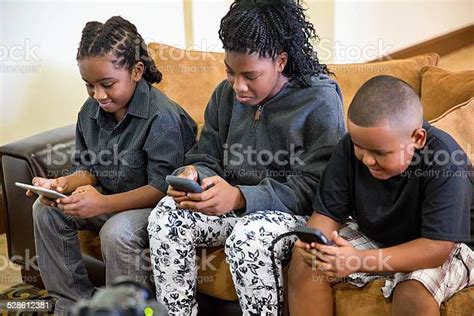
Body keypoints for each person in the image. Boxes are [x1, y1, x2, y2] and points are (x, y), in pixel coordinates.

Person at [147, 0, 346, 315]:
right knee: (166, 216)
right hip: (230, 206)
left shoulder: (319, 100)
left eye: (250, 75)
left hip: (292, 215)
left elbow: (318, 187)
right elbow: (207, 155)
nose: (238, 86)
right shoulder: (225, 95)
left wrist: (241, 197)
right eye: (230, 72)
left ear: (280, 61)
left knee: (247, 237)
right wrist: (193, 174)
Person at [29, 16, 196, 314]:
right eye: (89, 86)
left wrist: (103, 204)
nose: (98, 95)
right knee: (46, 210)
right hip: (107, 199)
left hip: (157, 207)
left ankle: (125, 307)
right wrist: (61, 185)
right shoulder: (89, 112)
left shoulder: (162, 117)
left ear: (136, 71)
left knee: (117, 232)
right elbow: (88, 170)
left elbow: (162, 188)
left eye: (107, 84)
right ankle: (72, 304)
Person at [288, 75, 473, 316]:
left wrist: (359, 260)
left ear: (417, 139)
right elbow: (326, 214)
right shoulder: (352, 146)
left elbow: (436, 249)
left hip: (447, 245)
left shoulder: (445, 159)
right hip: (379, 237)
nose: (367, 160)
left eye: (380, 152)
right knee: (306, 265)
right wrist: (314, 245)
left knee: (412, 291)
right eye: (359, 147)